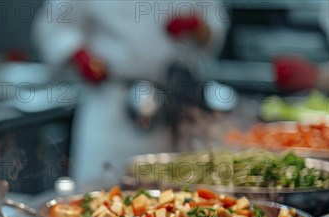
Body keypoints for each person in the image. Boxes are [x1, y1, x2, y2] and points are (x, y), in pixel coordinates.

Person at [33, 0, 228, 189]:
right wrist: (78, 55)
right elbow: (53, 25)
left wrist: (198, 26)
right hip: (110, 103)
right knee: (97, 193)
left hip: (171, 103)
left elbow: (215, 31)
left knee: (170, 198)